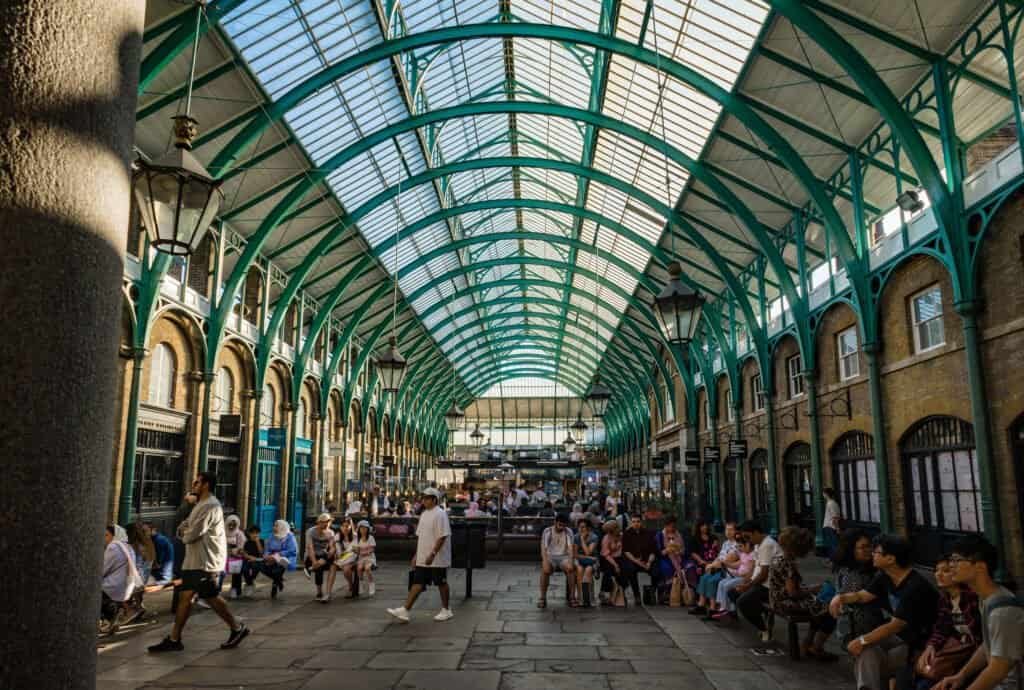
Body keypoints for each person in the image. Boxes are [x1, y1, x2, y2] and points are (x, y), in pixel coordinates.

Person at [148, 472, 249, 653]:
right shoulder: (200, 504)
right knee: (185, 597)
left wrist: (184, 533)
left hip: (206, 561)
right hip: (194, 560)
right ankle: (174, 639)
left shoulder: (210, 506)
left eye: (197, 482)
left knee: (211, 597)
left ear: (206, 485)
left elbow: (194, 533)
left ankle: (236, 628)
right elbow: (184, 525)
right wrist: (184, 529)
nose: (193, 485)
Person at [828, 535, 939, 690]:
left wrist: (861, 640)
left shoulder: (915, 587)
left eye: (877, 552)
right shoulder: (886, 577)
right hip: (899, 638)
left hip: (919, 644)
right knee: (867, 653)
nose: (872, 554)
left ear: (891, 559)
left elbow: (895, 625)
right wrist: (840, 597)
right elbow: (862, 595)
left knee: (866, 651)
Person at [936, 534, 1023, 690]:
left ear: (980, 567)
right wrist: (961, 675)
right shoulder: (986, 599)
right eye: (951, 560)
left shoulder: (1002, 611)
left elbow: (998, 670)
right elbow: (988, 645)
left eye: (957, 560)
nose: (951, 566)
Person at [768, 526, 838, 660]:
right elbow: (793, 593)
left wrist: (810, 589)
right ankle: (815, 647)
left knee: (818, 605)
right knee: (830, 609)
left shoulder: (778, 558)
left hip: (776, 599)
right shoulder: (789, 565)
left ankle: (808, 643)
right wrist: (814, 589)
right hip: (785, 603)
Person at [914, 555, 981, 689]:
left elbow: (981, 635)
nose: (939, 574)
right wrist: (931, 646)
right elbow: (941, 628)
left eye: (945, 571)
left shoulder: (972, 597)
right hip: (959, 651)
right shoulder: (945, 600)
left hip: (976, 654)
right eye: (937, 570)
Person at [388, 487, 453, 622]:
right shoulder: (424, 514)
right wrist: (417, 555)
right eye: (423, 498)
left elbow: (442, 536)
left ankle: (446, 609)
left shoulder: (440, 514)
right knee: (417, 583)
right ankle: (405, 610)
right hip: (423, 556)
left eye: (427, 498)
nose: (424, 500)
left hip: (437, 558)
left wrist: (433, 553)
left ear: (434, 500)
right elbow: (421, 537)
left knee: (441, 582)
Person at [833, 529, 886, 648]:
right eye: (863, 547)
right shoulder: (852, 574)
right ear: (851, 550)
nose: (869, 550)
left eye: (870, 546)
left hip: (863, 628)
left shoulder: (859, 569)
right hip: (859, 629)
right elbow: (856, 600)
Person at [734, 520, 783, 642]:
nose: (747, 540)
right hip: (759, 583)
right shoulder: (758, 545)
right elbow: (756, 567)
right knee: (733, 593)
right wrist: (746, 582)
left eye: (748, 536)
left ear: (755, 532)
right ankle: (762, 616)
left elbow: (764, 574)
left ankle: (763, 628)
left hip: (769, 586)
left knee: (743, 602)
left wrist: (748, 586)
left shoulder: (767, 545)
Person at [692, 521, 740, 616]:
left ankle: (713, 608)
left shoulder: (738, 544)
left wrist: (712, 565)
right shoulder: (726, 543)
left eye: (731, 530)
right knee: (704, 577)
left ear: (736, 531)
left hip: (728, 570)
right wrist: (712, 564)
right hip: (718, 567)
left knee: (712, 580)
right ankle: (701, 604)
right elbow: (719, 556)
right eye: (727, 529)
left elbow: (728, 560)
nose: (728, 532)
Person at [100, 525, 141, 634]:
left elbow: (104, 568)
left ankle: (110, 618)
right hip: (126, 585)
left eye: (106, 535)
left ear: (115, 536)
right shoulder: (128, 546)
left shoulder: (113, 547)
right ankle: (112, 622)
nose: (104, 538)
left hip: (114, 586)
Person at [711, 537, 755, 620]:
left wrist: (746, 580)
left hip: (744, 579)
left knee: (727, 586)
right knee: (721, 583)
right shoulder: (743, 554)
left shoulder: (752, 555)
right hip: (738, 576)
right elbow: (736, 565)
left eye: (741, 546)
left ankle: (729, 609)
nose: (739, 549)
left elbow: (751, 571)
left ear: (748, 545)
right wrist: (726, 563)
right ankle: (722, 606)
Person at [539, 513, 577, 608]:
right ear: (555, 522)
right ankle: (542, 597)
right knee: (545, 570)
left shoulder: (568, 531)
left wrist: (571, 561)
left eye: (564, 525)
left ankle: (572, 597)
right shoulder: (547, 531)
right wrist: (545, 561)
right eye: (560, 525)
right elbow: (543, 548)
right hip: (550, 556)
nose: (562, 527)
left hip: (564, 556)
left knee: (570, 569)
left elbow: (570, 548)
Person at [622, 513, 659, 606]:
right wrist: (637, 561)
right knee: (630, 570)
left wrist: (649, 562)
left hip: (647, 560)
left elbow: (653, 550)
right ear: (631, 523)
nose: (636, 524)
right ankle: (637, 595)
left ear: (641, 522)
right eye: (633, 522)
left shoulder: (648, 533)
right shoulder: (627, 534)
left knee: (656, 570)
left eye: (638, 521)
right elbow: (626, 552)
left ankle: (652, 593)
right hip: (634, 560)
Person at [257, 519, 298, 599]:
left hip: (285, 558)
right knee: (260, 566)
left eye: (276, 526)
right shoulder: (271, 536)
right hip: (272, 557)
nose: (274, 528)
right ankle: (279, 581)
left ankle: (275, 585)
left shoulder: (289, 536)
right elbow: (267, 549)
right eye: (274, 526)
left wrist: (277, 555)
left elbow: (292, 550)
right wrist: (267, 556)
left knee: (277, 569)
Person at [124, 522, 155, 622]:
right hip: (143, 579)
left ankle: (132, 610)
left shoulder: (135, 547)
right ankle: (138, 606)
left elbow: (135, 567)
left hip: (137, 580)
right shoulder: (148, 544)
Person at [304, 513, 337, 602]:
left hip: (324, 556)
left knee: (332, 560)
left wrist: (331, 551)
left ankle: (327, 593)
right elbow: (310, 548)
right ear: (318, 522)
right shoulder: (311, 532)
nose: (326, 524)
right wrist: (315, 562)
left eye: (328, 522)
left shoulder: (330, 532)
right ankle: (319, 592)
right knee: (319, 566)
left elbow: (332, 546)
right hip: (312, 556)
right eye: (323, 522)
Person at [655, 515, 687, 598]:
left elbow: (683, 549)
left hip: (678, 557)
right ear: (666, 525)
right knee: (667, 568)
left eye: (674, 526)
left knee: (689, 566)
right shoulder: (660, 535)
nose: (672, 528)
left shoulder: (678, 535)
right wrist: (667, 550)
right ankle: (667, 592)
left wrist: (678, 551)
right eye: (670, 526)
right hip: (665, 558)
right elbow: (658, 552)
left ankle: (682, 591)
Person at [599, 519, 630, 604]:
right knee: (608, 570)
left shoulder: (621, 536)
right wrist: (615, 565)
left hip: (619, 557)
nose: (618, 529)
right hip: (608, 558)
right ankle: (605, 592)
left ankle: (622, 589)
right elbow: (606, 554)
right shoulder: (606, 538)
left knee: (625, 568)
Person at [329, 517, 358, 599]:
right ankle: (328, 592)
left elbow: (354, 552)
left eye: (347, 526)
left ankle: (350, 586)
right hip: (341, 559)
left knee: (346, 569)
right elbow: (332, 545)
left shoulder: (355, 536)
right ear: (340, 527)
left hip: (353, 559)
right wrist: (332, 548)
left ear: (351, 526)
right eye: (343, 526)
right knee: (332, 566)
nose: (345, 528)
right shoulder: (337, 536)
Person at [686, 520, 720, 589]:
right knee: (699, 569)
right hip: (701, 561)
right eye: (702, 526)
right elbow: (693, 553)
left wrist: (717, 547)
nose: (705, 527)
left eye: (706, 525)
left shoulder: (713, 537)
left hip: (713, 560)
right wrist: (701, 561)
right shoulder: (694, 538)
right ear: (698, 527)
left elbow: (718, 551)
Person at [575, 519, 600, 608]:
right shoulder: (576, 537)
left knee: (588, 570)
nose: (581, 529)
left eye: (583, 527)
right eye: (579, 527)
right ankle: (580, 598)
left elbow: (588, 552)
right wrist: (586, 557)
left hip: (592, 562)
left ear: (588, 528)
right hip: (581, 561)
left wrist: (582, 540)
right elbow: (575, 554)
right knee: (579, 569)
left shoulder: (594, 537)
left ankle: (591, 598)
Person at [144, 521, 175, 588]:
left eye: (146, 531)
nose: (144, 533)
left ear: (153, 530)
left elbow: (157, 563)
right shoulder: (154, 539)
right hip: (158, 574)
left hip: (162, 577)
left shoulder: (159, 540)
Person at [223, 515, 246, 599]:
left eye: (234, 525)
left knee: (236, 573)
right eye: (230, 524)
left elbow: (241, 547)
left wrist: (232, 551)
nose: (231, 526)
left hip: (235, 557)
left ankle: (235, 589)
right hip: (223, 557)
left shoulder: (239, 534)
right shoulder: (222, 532)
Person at [239, 525, 263, 597]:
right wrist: (249, 557)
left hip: (258, 560)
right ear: (249, 534)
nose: (255, 535)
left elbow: (261, 552)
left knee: (256, 567)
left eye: (256, 533)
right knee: (244, 569)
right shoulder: (247, 542)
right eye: (253, 533)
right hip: (248, 559)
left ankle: (250, 583)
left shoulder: (261, 541)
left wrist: (257, 542)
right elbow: (244, 553)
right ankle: (250, 584)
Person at [355, 520, 377, 597]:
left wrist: (365, 552)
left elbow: (372, 549)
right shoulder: (358, 539)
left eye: (364, 528)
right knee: (359, 568)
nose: (363, 530)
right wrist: (356, 551)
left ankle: (371, 583)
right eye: (361, 528)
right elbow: (357, 550)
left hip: (370, 557)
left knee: (367, 568)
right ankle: (361, 584)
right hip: (361, 558)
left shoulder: (370, 538)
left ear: (368, 529)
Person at [822, 488, 842, 558]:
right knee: (831, 545)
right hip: (829, 526)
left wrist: (837, 528)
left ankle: (835, 560)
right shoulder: (830, 503)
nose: (823, 495)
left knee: (833, 545)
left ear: (826, 494)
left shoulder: (831, 504)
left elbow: (835, 517)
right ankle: (833, 559)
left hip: (831, 527)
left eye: (823, 493)